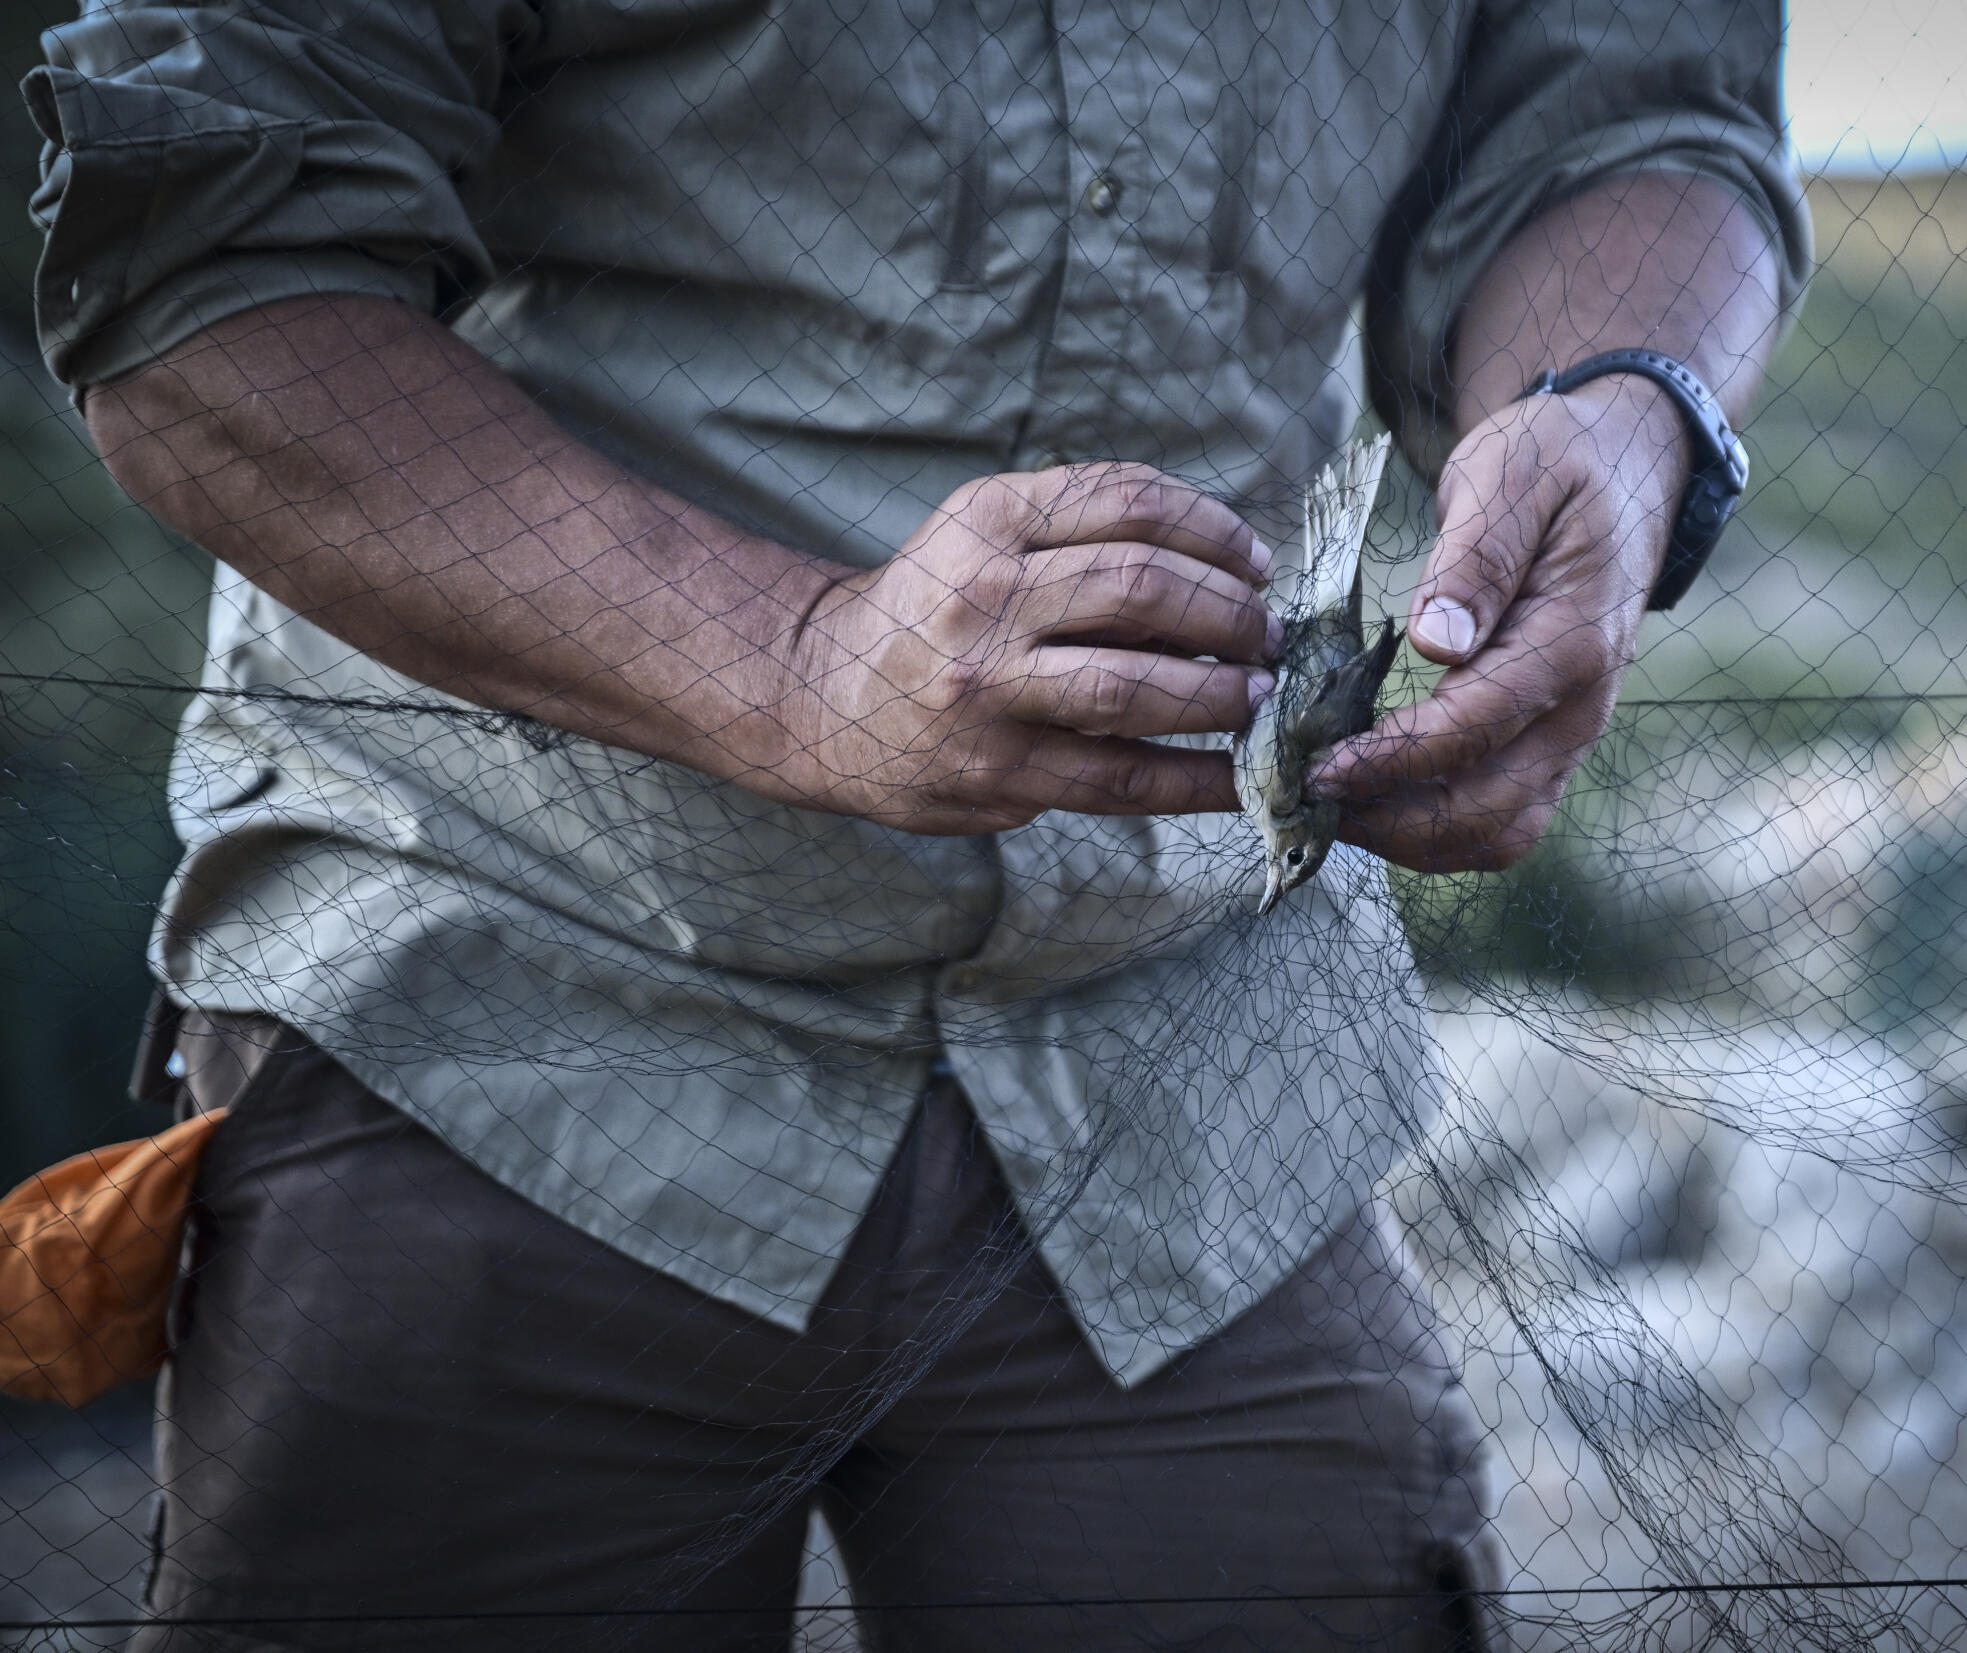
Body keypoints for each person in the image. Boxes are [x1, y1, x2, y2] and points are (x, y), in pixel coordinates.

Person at [26, 0, 1806, 1642]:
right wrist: (798, 661)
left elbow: (1640, 116)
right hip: (507, 1001)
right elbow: (200, 270)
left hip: (1189, 1068)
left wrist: (1616, 421)